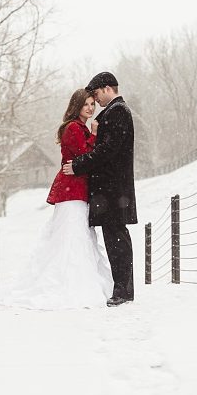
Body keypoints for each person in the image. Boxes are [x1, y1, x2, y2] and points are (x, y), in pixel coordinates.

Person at [0, 88, 113, 310]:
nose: (90, 108)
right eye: (85, 104)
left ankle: (82, 281)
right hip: (71, 190)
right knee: (70, 235)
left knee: (79, 235)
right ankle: (67, 284)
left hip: (79, 189)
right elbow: (83, 157)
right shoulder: (72, 128)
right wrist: (96, 135)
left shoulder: (81, 127)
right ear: (76, 105)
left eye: (92, 104)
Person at [63, 72, 137, 307]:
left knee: (117, 240)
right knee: (116, 239)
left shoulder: (117, 112)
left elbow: (107, 151)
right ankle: (123, 289)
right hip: (113, 190)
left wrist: (78, 165)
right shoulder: (115, 112)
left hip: (112, 191)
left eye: (96, 94)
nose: (96, 102)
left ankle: (122, 290)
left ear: (107, 88)